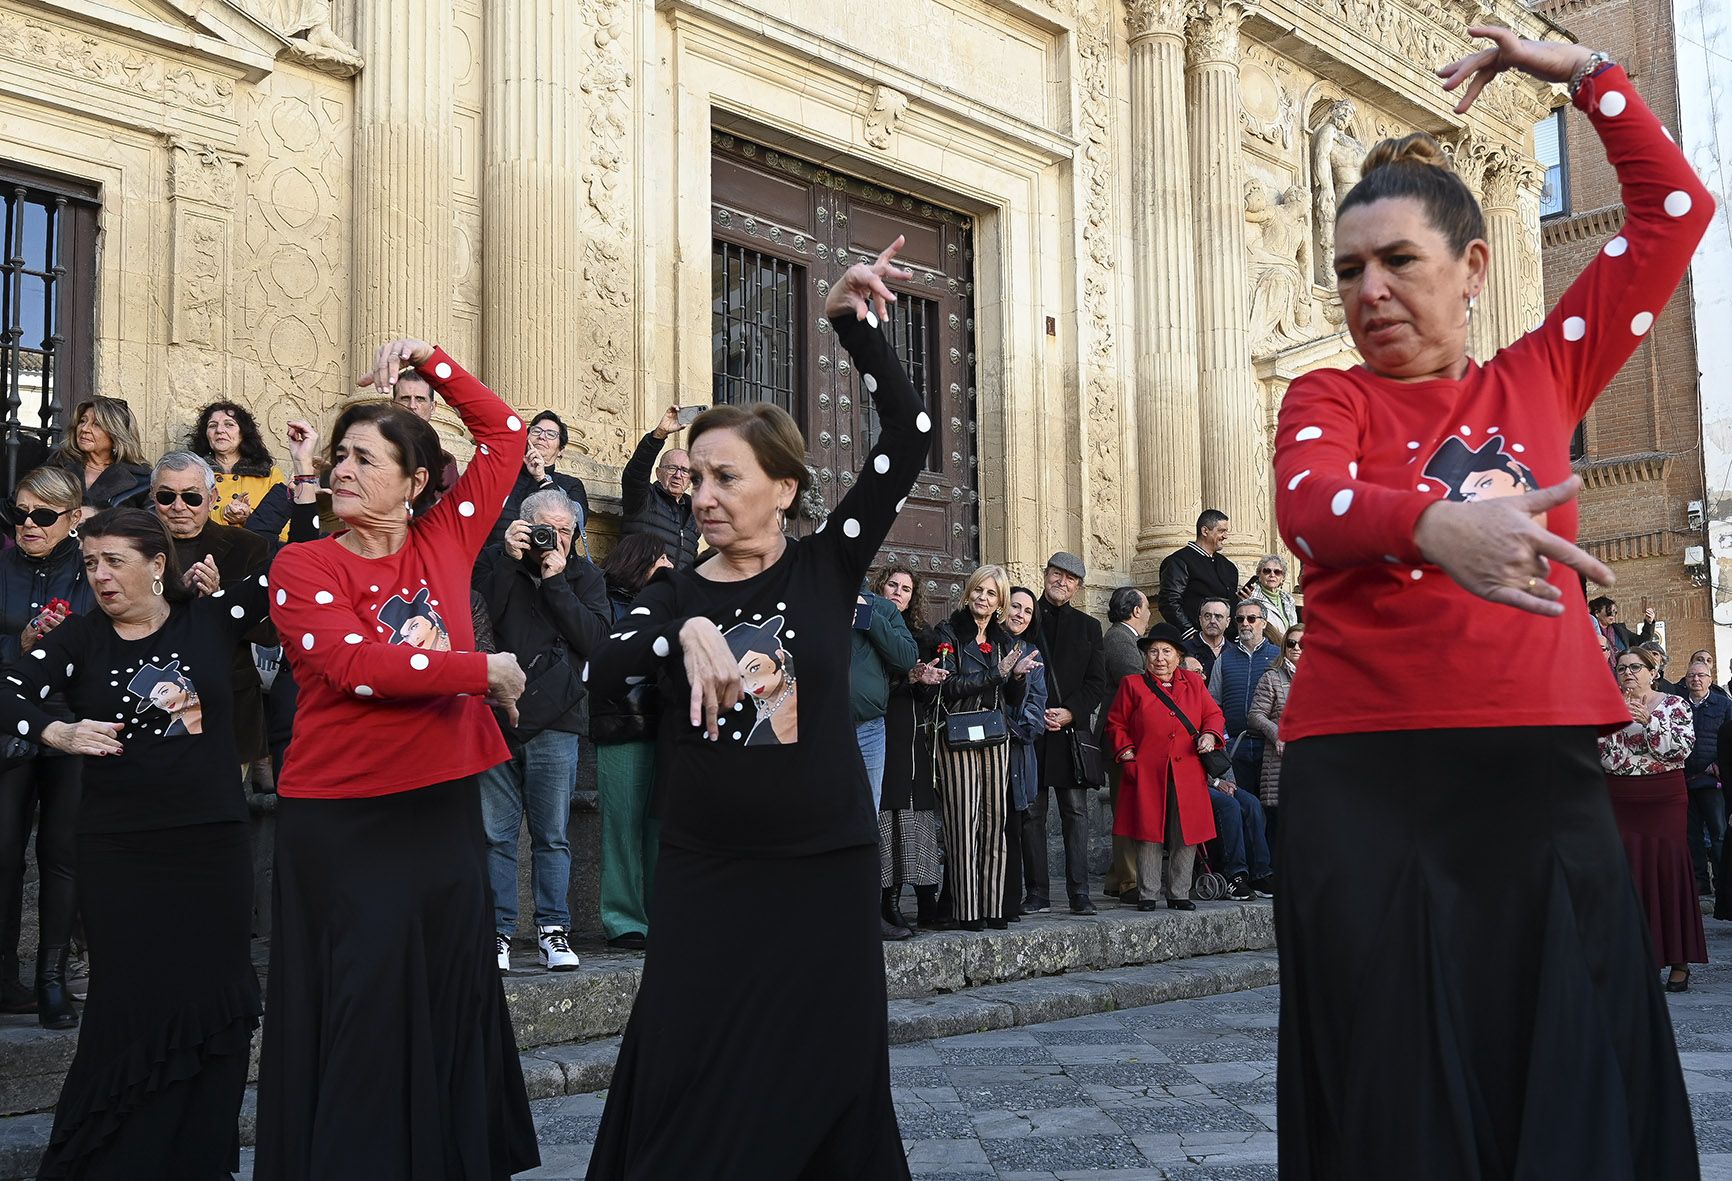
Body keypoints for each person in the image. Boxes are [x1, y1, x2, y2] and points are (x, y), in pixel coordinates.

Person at [1272, 28, 1710, 1177]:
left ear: (1471, 266)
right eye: (1348, 270)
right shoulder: (1325, 398)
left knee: (1563, 1056)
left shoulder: (1541, 374)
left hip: (1533, 770)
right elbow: (1309, 506)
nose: (1369, 291)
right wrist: (1433, 527)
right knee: (1393, 1079)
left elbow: (1674, 213)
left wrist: (1585, 78)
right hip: (1368, 778)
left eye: (1397, 261)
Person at [584, 240, 928, 1178]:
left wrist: (852, 325)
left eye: (725, 477)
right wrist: (684, 632)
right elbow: (605, 664)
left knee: (826, 1067)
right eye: (695, 478)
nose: (703, 497)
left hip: (823, 864)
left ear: (783, 488)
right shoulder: (673, 590)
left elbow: (909, 435)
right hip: (709, 869)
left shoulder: (829, 564)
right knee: (692, 1065)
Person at [255, 337, 538, 1179]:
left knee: (448, 986)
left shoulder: (446, 537)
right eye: (339, 455)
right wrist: (481, 669)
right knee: (363, 998)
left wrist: (431, 361)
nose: (341, 469)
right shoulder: (302, 563)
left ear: (415, 482)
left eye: (364, 458)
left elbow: (507, 434)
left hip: (439, 804)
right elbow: (356, 665)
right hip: (344, 816)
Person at [0, 508, 269, 1176]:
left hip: (211, 844)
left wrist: (303, 482)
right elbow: (7, 691)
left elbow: (297, 569)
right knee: (130, 1001)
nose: (101, 576)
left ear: (157, 563)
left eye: (115, 560)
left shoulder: (210, 618)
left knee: (216, 994)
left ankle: (197, 1159)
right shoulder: (80, 638)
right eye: (91, 562)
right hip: (120, 849)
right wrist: (56, 731)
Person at [475, 488, 610, 972]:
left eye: (566, 531)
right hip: (495, 715)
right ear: (524, 525)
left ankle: (554, 930)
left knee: (552, 834)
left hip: (557, 719)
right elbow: (475, 621)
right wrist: (508, 561)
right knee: (495, 834)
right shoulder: (494, 562)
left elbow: (596, 642)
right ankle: (497, 932)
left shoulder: (586, 576)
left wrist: (556, 582)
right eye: (546, 529)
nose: (555, 539)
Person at [0, 466, 92, 1025]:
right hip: (7, 717)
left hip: (70, 717)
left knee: (61, 853)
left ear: (73, 517)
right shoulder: (2, 565)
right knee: (4, 851)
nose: (28, 524)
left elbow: (109, 636)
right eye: (19, 513)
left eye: (42, 515)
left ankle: (51, 980)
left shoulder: (91, 567)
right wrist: (21, 642)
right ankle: (3, 980)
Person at [933, 565, 1042, 932]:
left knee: (995, 823)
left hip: (995, 737)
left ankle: (993, 906)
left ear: (1000, 602)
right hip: (958, 737)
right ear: (968, 593)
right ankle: (966, 911)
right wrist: (997, 673)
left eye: (991, 593)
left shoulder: (1003, 641)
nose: (983, 597)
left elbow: (1011, 698)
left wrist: (1017, 677)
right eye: (979, 590)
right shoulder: (948, 632)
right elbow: (949, 686)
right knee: (963, 825)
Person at [151, 451, 273, 770]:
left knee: (222, 799)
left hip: (227, 707)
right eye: (167, 496)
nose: (179, 506)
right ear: (152, 497)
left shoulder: (248, 546)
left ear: (213, 497)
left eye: (191, 497)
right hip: (150, 702)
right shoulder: (134, 546)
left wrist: (220, 600)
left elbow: (269, 632)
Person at [1600, 646, 1704, 992]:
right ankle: (1634, 959)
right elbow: (1607, 758)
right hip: (1621, 798)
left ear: (1652, 672)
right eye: (1621, 668)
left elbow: (1679, 750)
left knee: (1666, 870)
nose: (1628, 673)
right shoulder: (1607, 706)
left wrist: (1650, 723)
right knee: (1627, 873)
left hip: (1664, 798)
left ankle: (1678, 958)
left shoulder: (1674, 704)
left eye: (1635, 667)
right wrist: (1618, 722)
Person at [1103, 623, 1221, 912]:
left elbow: (1213, 715)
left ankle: (1179, 892)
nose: (1159, 658)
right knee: (1148, 831)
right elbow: (1116, 723)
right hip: (1146, 770)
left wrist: (1209, 735)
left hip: (1187, 769)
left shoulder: (1194, 683)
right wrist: (1127, 752)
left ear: (1178, 656)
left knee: (1186, 832)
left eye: (1166, 651)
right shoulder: (1132, 685)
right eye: (1153, 652)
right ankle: (1148, 893)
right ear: (1145, 656)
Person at [592, 534, 673, 952]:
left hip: (668, 725)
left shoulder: (673, 604)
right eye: (662, 558)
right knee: (622, 824)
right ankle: (623, 918)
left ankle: (663, 914)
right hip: (620, 724)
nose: (670, 566)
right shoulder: (606, 602)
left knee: (661, 826)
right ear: (639, 561)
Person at [1020, 551, 1106, 915]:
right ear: (1045, 575)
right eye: (1057, 574)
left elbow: (1097, 682)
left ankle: (1079, 893)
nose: (1062, 582)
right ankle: (1037, 892)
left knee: (1075, 812)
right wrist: (1035, 713)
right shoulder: (1025, 618)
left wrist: (1070, 712)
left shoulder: (1089, 627)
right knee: (1032, 813)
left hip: (1070, 734)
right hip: (1032, 730)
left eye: (1070, 578)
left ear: (1078, 587)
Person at [871, 562, 946, 932]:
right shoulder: (868, 627)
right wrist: (908, 678)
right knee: (888, 808)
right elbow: (870, 682)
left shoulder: (921, 635)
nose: (898, 593)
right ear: (880, 588)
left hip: (912, 731)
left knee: (915, 811)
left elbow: (926, 698)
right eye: (892, 585)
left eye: (905, 589)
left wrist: (926, 680)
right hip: (878, 727)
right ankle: (888, 902)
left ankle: (922, 900)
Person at [849, 582, 919, 938]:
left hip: (870, 729)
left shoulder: (882, 608)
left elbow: (906, 658)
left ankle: (865, 913)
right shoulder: (813, 597)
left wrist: (867, 613)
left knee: (866, 820)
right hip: (822, 728)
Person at [1002, 585, 1050, 923]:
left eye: (1028, 611)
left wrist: (1021, 728)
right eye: (1015, 606)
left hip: (1019, 750)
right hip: (988, 745)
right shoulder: (989, 644)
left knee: (1019, 821)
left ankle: (1018, 896)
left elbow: (1037, 701)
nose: (1020, 614)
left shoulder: (1032, 653)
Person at [1100, 585, 1149, 903]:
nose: (1148, 613)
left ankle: (1117, 877)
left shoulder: (1126, 637)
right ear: (1136, 610)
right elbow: (1136, 683)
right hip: (1122, 738)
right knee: (1127, 808)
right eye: (1145, 607)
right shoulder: (1120, 638)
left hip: (1128, 736)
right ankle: (1129, 881)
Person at [488, 409, 591, 552]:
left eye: (551, 434)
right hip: (497, 559)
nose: (542, 437)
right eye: (536, 431)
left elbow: (575, 525)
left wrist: (542, 478)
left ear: (561, 450)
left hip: (547, 561)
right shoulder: (501, 477)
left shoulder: (571, 485)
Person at [622, 406, 700, 569]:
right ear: (658, 473)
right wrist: (659, 435)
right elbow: (636, 472)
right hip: (638, 583)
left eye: (685, 471)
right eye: (672, 468)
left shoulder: (694, 513)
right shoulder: (643, 497)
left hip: (674, 585)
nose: (678, 475)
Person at [189, 400, 286, 530]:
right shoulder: (192, 473)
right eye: (212, 425)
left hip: (255, 543)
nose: (219, 430)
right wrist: (221, 515)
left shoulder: (270, 475)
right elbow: (182, 518)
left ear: (243, 433)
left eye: (229, 424)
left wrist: (248, 518)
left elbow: (284, 528)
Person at [1246, 623, 1303, 845]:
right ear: (1284, 646)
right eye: (1291, 643)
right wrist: (1277, 732)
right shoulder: (1272, 677)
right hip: (1281, 762)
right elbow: (1255, 715)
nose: (1297, 647)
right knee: (1280, 833)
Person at [49, 396, 152, 511]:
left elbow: (149, 520)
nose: (84, 429)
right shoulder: (58, 465)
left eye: (97, 424)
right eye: (82, 421)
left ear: (116, 435)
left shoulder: (142, 480)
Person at [1681, 659, 1731, 894]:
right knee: (1691, 836)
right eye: (1691, 675)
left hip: (1712, 781)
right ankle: (1700, 886)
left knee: (1719, 834)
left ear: (1710, 679)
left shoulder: (1724, 705)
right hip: (1685, 780)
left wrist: (1719, 764)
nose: (1696, 679)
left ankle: (1722, 885)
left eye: (1701, 675)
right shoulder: (1678, 703)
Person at [1157, 510, 1240, 638]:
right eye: (1221, 531)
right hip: (1196, 642)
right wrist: (1190, 634)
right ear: (1205, 531)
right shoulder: (1179, 561)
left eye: (1226, 531)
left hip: (1227, 642)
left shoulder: (1228, 566)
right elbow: (1169, 602)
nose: (1225, 536)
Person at [390, 368, 461, 499]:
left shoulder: (445, 463)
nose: (412, 406)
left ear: (432, 407)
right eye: (405, 398)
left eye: (420, 399)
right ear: (393, 405)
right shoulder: (373, 451)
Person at [1247, 554, 1300, 646]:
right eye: (1267, 571)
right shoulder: (1251, 598)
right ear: (1259, 575)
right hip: (1266, 648)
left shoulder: (1288, 599)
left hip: (1289, 648)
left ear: (1282, 578)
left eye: (1277, 572)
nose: (1272, 575)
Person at [1183, 597, 1231, 681]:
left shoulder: (1235, 652)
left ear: (1228, 622)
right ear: (1200, 620)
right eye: (1207, 616)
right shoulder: (1183, 650)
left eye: (1218, 616)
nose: (1212, 621)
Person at [1589, 594, 1655, 656]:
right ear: (1597, 613)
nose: (1613, 615)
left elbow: (1642, 642)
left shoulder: (1619, 630)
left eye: (1615, 612)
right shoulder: (1590, 632)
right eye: (1609, 611)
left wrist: (1648, 623)